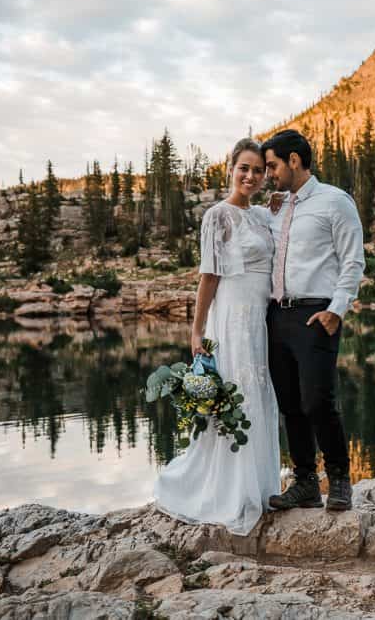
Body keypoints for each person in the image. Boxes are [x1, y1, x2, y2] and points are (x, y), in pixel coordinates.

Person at [152, 138, 281, 535]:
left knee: (259, 393)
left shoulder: (262, 216)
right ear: (231, 169)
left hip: (262, 317)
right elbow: (209, 277)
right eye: (244, 168)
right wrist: (197, 330)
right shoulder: (217, 216)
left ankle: (259, 487)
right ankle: (229, 492)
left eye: (259, 170)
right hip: (232, 317)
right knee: (237, 390)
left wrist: (276, 205)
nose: (251, 176)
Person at [262, 129, 365, 512]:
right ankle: (304, 481)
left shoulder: (335, 202)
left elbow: (353, 260)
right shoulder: (277, 207)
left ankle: (339, 479)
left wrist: (336, 310)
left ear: (293, 160)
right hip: (276, 315)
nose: (269, 173)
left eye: (272, 165)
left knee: (317, 400)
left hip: (315, 314)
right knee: (289, 404)